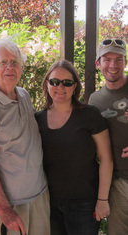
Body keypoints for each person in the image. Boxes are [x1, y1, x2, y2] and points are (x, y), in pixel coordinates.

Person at [0, 38, 50, 235]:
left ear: (21, 68)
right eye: (3, 62)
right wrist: (4, 210)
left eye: (15, 62)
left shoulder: (24, 95)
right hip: (9, 207)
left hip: (38, 197)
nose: (10, 67)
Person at [35, 60, 113, 235]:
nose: (60, 87)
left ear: (75, 86)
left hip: (85, 205)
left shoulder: (89, 115)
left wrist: (102, 199)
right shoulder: (37, 119)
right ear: (47, 83)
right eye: (54, 81)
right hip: (49, 204)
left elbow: (106, 158)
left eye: (67, 82)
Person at [89, 39, 128, 234]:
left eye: (118, 59)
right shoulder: (95, 100)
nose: (113, 65)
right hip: (119, 182)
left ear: (125, 62)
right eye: (107, 59)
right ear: (98, 63)